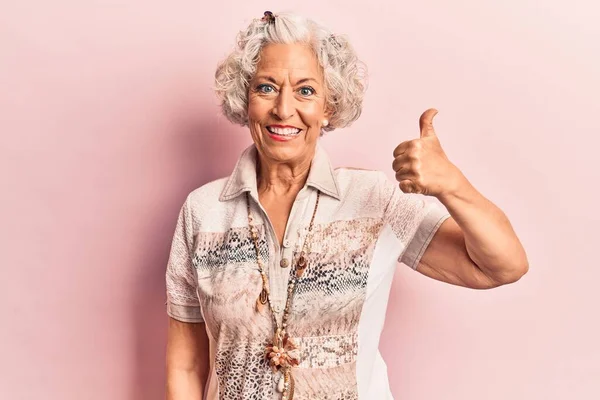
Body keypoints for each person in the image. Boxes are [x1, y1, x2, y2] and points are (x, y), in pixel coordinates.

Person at [164, 11, 528, 400]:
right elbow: (186, 365)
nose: (284, 110)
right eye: (266, 87)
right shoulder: (203, 212)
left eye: (306, 91)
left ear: (329, 107)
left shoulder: (373, 200)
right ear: (245, 99)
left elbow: (503, 266)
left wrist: (451, 186)